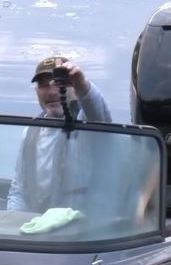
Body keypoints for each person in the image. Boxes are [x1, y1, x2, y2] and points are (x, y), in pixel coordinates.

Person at [6, 56, 113, 214]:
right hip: (35, 226)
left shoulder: (87, 124)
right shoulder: (30, 131)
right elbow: (19, 189)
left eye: (60, 84)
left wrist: (82, 85)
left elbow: (99, 113)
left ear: (74, 89)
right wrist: (12, 223)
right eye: (43, 85)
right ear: (36, 91)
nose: (51, 92)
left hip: (79, 228)